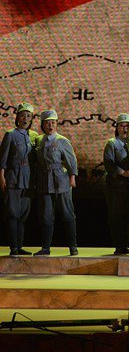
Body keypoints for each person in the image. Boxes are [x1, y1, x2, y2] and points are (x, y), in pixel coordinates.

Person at [32, 110, 78, 256]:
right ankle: (45, 247)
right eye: (47, 123)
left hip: (61, 181)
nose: (50, 125)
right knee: (45, 216)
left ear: (57, 124)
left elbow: (72, 161)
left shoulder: (63, 141)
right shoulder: (39, 140)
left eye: (53, 122)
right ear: (42, 125)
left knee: (67, 214)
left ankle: (73, 247)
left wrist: (72, 177)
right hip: (44, 182)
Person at [0, 102, 38, 256]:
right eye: (23, 115)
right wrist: (2, 177)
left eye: (28, 116)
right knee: (13, 214)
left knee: (23, 215)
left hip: (28, 180)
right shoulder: (10, 134)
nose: (25, 118)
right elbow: (2, 159)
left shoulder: (34, 136)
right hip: (13, 179)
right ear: (17, 117)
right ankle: (13, 248)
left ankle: (20, 246)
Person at [103, 113, 129, 255]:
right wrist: (123, 173)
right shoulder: (112, 143)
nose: (125, 128)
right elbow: (109, 164)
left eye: (128, 126)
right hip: (116, 187)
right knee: (116, 216)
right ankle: (119, 246)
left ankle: (124, 245)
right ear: (117, 127)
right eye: (121, 126)